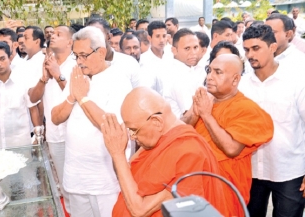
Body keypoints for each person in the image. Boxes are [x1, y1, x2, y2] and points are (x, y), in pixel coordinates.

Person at [103, 87, 228, 216]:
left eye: (134, 130)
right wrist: (118, 152)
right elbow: (125, 174)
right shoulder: (156, 140)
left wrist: (118, 154)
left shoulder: (190, 153)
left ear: (157, 122)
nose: (132, 136)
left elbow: (139, 210)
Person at [51, 26, 132, 217]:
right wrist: (72, 97)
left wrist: (83, 98)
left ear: (101, 52)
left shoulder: (118, 80)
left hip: (104, 179)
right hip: (76, 174)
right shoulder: (77, 75)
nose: (79, 61)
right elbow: (55, 117)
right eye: (76, 56)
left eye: (84, 55)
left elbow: (111, 127)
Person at [186, 54, 274, 217]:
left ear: (235, 80)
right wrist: (194, 113)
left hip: (225, 192)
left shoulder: (246, 109)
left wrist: (206, 116)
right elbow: (179, 132)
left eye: (217, 72)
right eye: (209, 70)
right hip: (195, 186)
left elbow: (231, 148)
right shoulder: (206, 101)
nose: (209, 77)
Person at [240, 24, 305, 217]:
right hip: (250, 171)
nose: (250, 54)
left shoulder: (296, 81)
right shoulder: (242, 85)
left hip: (289, 171)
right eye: (246, 49)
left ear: (272, 47)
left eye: (256, 48)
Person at [28, 25, 76, 213]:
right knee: (63, 188)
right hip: (55, 136)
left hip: (74, 135)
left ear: (70, 42)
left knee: (75, 187)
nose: (52, 36)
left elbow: (78, 97)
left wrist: (58, 74)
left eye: (58, 34)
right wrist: (44, 78)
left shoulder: (76, 64)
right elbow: (33, 98)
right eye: (52, 34)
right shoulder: (46, 63)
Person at [87, 18, 141, 88]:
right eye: (89, 35)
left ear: (109, 36)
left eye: (98, 34)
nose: (93, 39)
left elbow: (139, 93)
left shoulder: (129, 63)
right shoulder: (82, 66)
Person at [163, 28, 203, 118]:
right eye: (187, 48)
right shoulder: (178, 76)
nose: (193, 53)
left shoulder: (187, 69)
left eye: (195, 47)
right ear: (174, 50)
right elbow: (190, 115)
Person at [139, 21, 174, 95]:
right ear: (149, 38)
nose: (161, 40)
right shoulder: (144, 60)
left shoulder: (172, 54)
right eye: (157, 36)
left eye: (164, 36)